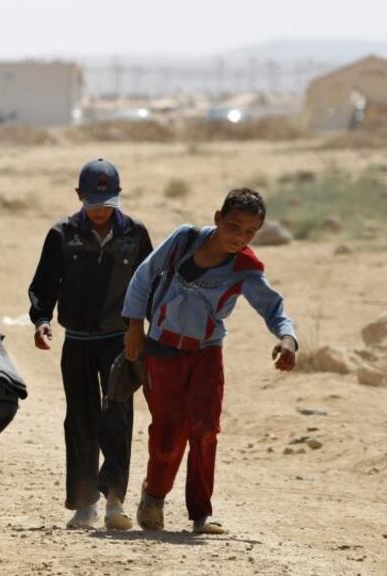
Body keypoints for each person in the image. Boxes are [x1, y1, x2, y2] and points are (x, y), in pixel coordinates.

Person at [122, 188, 298, 534]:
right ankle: (154, 496)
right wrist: (134, 328)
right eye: (234, 226)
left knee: (205, 430)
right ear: (218, 218)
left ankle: (201, 514)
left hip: (206, 353)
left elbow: (272, 307)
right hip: (162, 349)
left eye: (250, 232)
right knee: (168, 432)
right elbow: (144, 276)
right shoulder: (184, 240)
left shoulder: (245, 268)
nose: (240, 237)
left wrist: (287, 338)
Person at [28, 158, 153, 530]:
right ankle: (85, 504)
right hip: (78, 341)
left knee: (118, 416)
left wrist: (145, 332)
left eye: (108, 201)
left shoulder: (135, 233)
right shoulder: (62, 234)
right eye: (93, 201)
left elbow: (151, 286)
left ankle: (115, 501)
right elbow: (44, 284)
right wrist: (41, 321)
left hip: (120, 341)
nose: (100, 211)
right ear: (79, 195)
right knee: (80, 420)